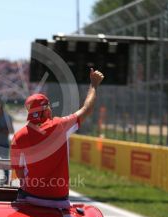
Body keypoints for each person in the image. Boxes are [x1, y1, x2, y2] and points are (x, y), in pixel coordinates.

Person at [10, 68, 104, 209]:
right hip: (59, 200)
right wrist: (94, 85)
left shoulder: (18, 136)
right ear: (46, 109)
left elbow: (20, 174)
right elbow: (87, 109)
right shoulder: (60, 125)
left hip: (30, 198)